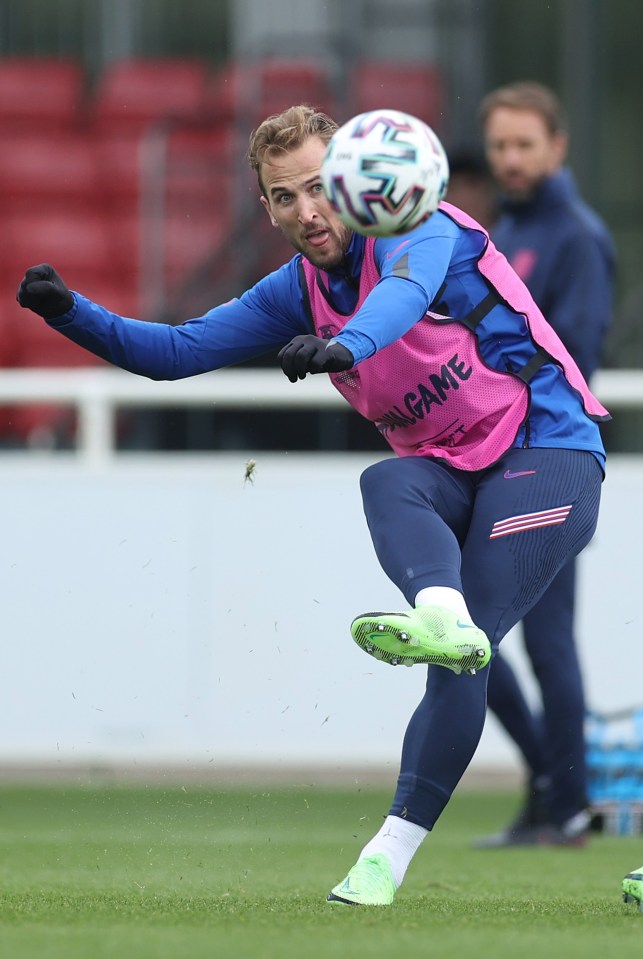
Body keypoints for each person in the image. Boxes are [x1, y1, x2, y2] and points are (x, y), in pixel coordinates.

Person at [16, 104, 609, 906]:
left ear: (353, 183)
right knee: (388, 490)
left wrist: (345, 345)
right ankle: (439, 612)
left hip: (548, 451)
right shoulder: (295, 288)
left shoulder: (420, 227)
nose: (306, 212)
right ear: (265, 207)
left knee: (475, 647)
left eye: (318, 189)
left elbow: (400, 296)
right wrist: (69, 312)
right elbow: (176, 353)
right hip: (451, 467)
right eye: (284, 198)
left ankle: (385, 858)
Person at [476, 81, 616, 846]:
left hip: (549, 458)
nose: (511, 158)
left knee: (542, 638)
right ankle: (552, 791)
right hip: (495, 456)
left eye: (525, 144)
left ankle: (559, 802)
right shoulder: (505, 228)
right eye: (499, 145)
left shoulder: (576, 238)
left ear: (556, 147)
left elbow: (577, 358)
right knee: (473, 629)